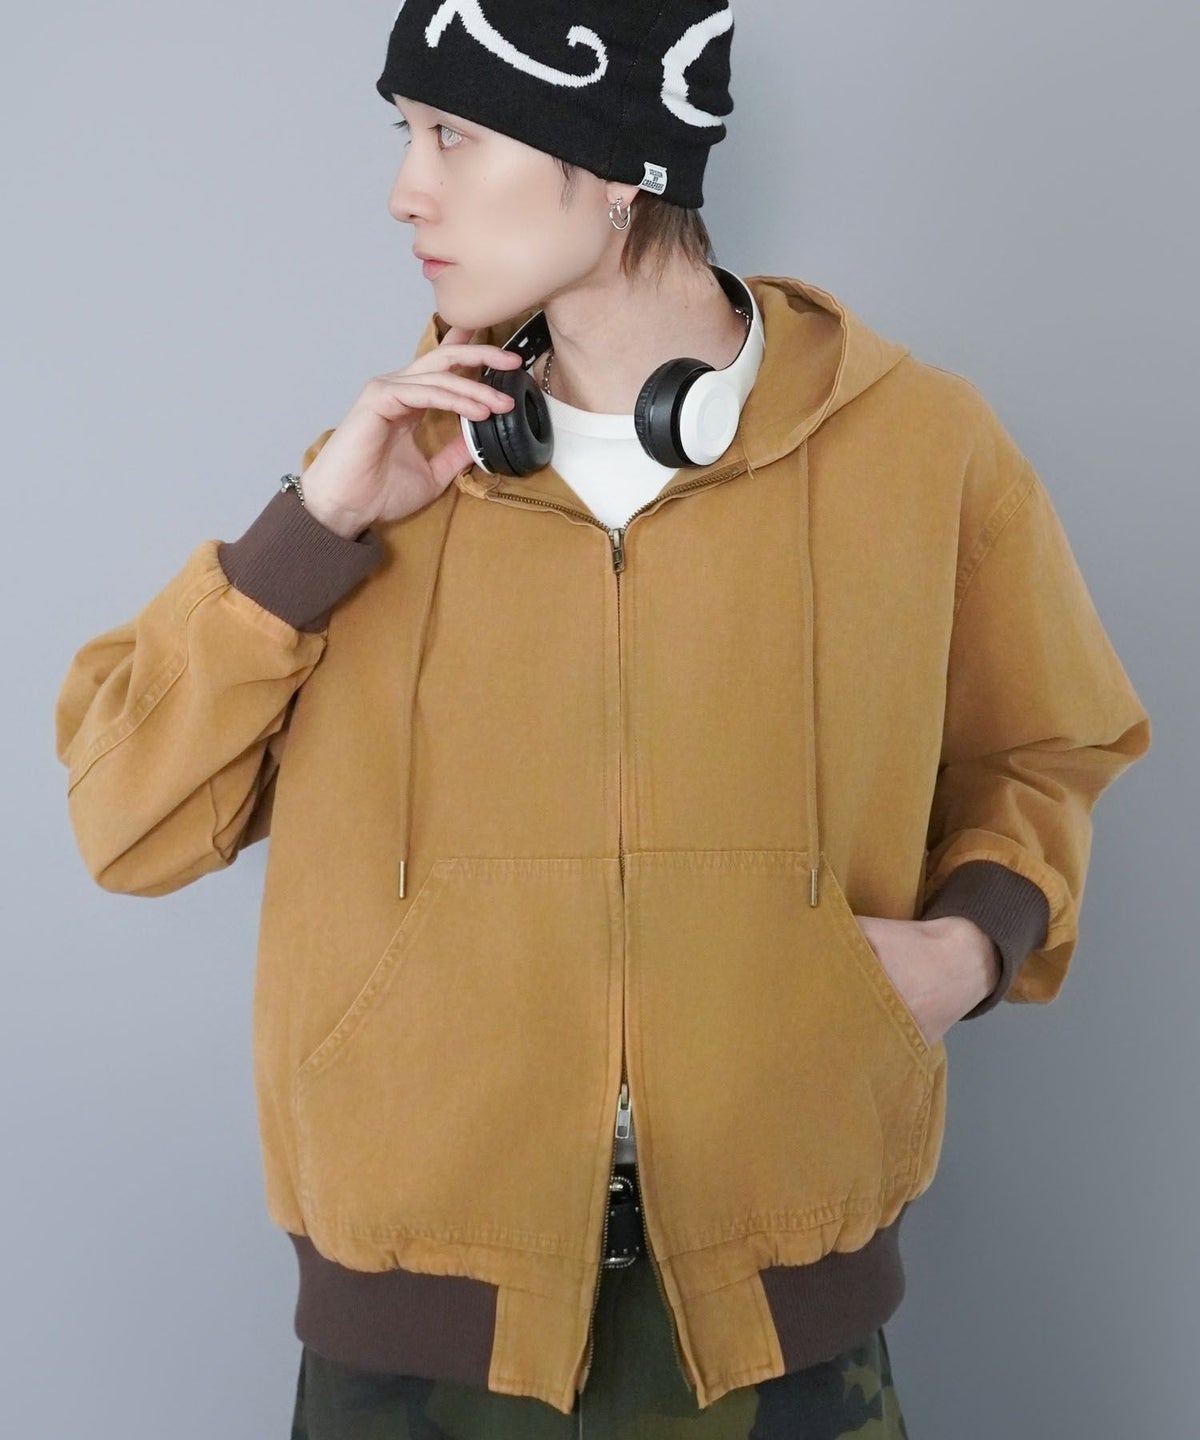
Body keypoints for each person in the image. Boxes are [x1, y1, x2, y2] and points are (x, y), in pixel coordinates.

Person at [53, 3, 1152, 1437]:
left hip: (779, 1330)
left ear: (623, 161)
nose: (405, 190)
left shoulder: (921, 447)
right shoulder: (386, 477)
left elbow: (1045, 747)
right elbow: (124, 820)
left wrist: (972, 947)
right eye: (406, 134)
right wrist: (313, 525)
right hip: (418, 1344)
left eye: (453, 134)